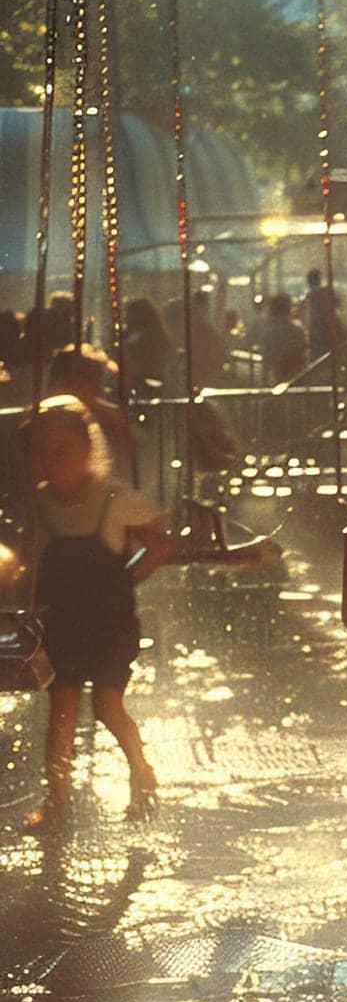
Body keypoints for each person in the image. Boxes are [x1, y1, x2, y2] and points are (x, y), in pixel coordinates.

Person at [26, 397, 170, 822]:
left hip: (110, 624)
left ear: (87, 450)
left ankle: (140, 770)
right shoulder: (42, 503)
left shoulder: (113, 499)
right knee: (62, 709)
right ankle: (56, 800)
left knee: (108, 706)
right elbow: (37, 558)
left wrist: (128, 579)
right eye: (43, 454)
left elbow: (160, 543)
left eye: (61, 451)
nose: (52, 463)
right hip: (63, 622)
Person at [47, 345, 135, 481]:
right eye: (90, 377)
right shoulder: (46, 417)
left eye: (98, 377)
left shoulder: (111, 418)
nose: (98, 385)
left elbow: (125, 469)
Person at [257, 293, 309, 385]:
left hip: (274, 376)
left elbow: (266, 358)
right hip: (295, 377)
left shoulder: (267, 330)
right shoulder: (296, 330)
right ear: (289, 308)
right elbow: (303, 353)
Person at [303, 268, 346, 363]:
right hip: (330, 330)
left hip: (317, 333)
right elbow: (338, 304)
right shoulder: (327, 291)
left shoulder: (310, 296)